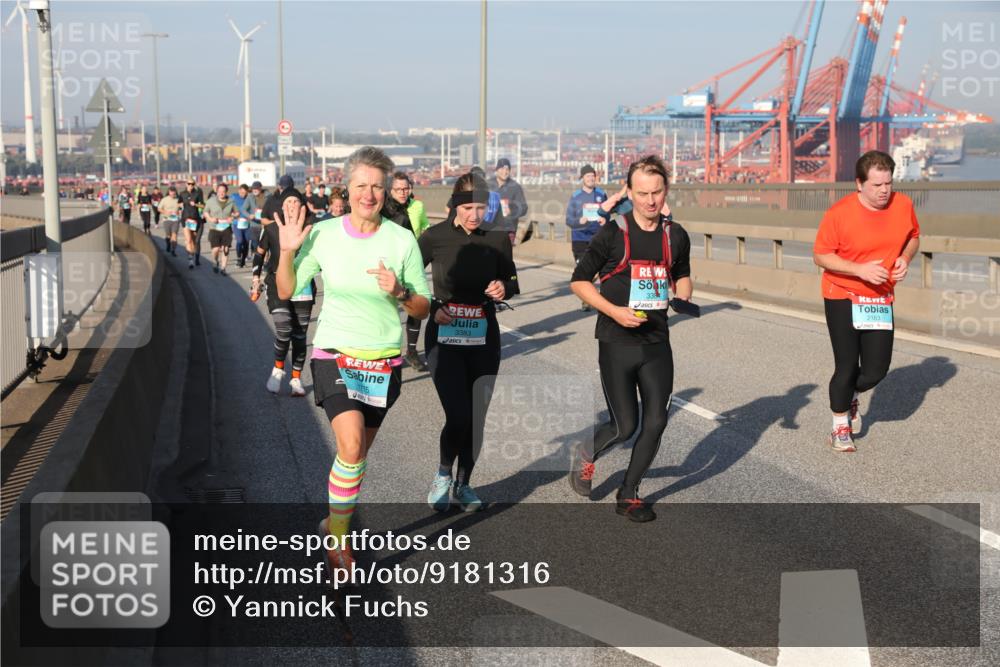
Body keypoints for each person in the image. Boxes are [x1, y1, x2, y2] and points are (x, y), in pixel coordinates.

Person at [274, 147, 430, 570]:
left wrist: (399, 292)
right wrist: (287, 250)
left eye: (378, 186)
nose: (369, 193)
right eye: (361, 185)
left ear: (386, 192)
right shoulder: (323, 233)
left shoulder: (401, 240)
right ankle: (339, 543)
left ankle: (333, 520)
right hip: (336, 355)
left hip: (383, 364)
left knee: (356, 458)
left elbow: (422, 307)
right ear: (347, 188)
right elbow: (287, 290)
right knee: (351, 443)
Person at [568, 155, 692, 523]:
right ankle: (586, 453)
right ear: (630, 192)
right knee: (625, 425)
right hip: (616, 341)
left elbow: (682, 274)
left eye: (656, 192)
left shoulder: (676, 235)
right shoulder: (613, 233)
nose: (650, 201)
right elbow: (578, 281)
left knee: (656, 421)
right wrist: (614, 311)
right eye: (642, 193)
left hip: (656, 342)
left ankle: (629, 493)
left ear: (665, 190)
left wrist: (682, 295)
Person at [419, 172, 519, 512]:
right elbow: (410, 277)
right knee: (458, 413)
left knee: (476, 416)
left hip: (483, 335)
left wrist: (504, 288)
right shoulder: (434, 237)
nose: (475, 215)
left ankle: (463, 484)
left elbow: (512, 279)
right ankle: (443, 473)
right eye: (469, 208)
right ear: (455, 206)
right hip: (444, 337)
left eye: (481, 207)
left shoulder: (497, 238)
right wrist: (432, 307)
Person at [813, 150, 920, 452]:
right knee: (846, 366)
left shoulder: (903, 205)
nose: (884, 191)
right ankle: (839, 426)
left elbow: (914, 236)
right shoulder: (839, 213)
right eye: (877, 185)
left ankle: (849, 395)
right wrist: (859, 269)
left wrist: (904, 258)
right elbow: (820, 255)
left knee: (876, 370)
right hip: (842, 294)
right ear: (859, 184)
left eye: (888, 183)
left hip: (880, 298)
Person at [253, 174, 314, 396]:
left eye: (296, 202)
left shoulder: (312, 231)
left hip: (304, 287)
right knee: (284, 329)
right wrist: (255, 278)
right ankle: (278, 369)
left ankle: (296, 379)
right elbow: (260, 254)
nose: (291, 206)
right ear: (282, 206)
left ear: (302, 207)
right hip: (276, 284)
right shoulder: (271, 229)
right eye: (287, 202)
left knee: (299, 336)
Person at [385, 171, 431, 371]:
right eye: (398, 189)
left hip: (412, 263)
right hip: (389, 265)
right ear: (390, 190)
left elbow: (426, 229)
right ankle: (388, 352)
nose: (403, 192)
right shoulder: (384, 209)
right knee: (388, 310)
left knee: (416, 304)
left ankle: (411, 352)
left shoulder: (417, 206)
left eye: (406, 188)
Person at [565, 165, 608, 311]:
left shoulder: (602, 194)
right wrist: (579, 221)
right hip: (580, 239)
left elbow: (608, 212)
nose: (590, 178)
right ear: (582, 178)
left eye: (592, 175)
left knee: (598, 271)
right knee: (584, 270)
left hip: (598, 238)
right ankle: (586, 298)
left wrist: (605, 219)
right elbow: (569, 220)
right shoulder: (576, 196)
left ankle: (590, 297)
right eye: (587, 176)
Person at [490, 158, 528, 245]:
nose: (505, 172)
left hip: (508, 229)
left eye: (507, 169)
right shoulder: (488, 184)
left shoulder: (515, 187)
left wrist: (512, 211)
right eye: (502, 169)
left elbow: (524, 207)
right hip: (489, 228)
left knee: (504, 255)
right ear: (497, 170)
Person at [204, 183, 237, 276]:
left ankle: (223, 268)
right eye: (220, 191)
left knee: (226, 249)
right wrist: (210, 219)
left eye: (223, 191)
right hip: (214, 227)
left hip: (226, 227)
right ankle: (215, 261)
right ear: (217, 192)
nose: (222, 193)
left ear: (226, 192)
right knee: (215, 249)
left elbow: (237, 213)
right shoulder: (211, 201)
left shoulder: (231, 201)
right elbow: (205, 212)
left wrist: (233, 216)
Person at [179, 179, 205, 269]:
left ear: (194, 185)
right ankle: (190, 259)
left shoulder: (197, 193)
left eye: (192, 184)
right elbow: (179, 203)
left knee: (194, 241)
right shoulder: (182, 194)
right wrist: (180, 205)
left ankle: (193, 255)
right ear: (186, 184)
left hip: (195, 219)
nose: (190, 185)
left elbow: (203, 205)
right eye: (189, 184)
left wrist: (196, 204)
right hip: (185, 219)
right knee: (188, 239)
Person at [232, 184, 255, 268]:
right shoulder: (233, 197)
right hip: (236, 223)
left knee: (246, 243)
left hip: (247, 223)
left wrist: (251, 216)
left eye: (245, 193)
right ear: (238, 190)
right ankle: (238, 258)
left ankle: (243, 260)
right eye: (241, 192)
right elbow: (229, 207)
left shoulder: (250, 198)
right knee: (240, 241)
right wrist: (233, 214)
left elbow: (253, 209)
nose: (243, 194)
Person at [157, 186, 182, 256]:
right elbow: (159, 209)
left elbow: (181, 208)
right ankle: (168, 244)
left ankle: (173, 250)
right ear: (169, 192)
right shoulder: (164, 199)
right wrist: (165, 212)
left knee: (174, 235)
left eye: (174, 194)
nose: (173, 195)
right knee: (168, 235)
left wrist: (179, 212)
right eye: (171, 193)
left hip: (175, 220)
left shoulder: (178, 199)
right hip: (167, 219)